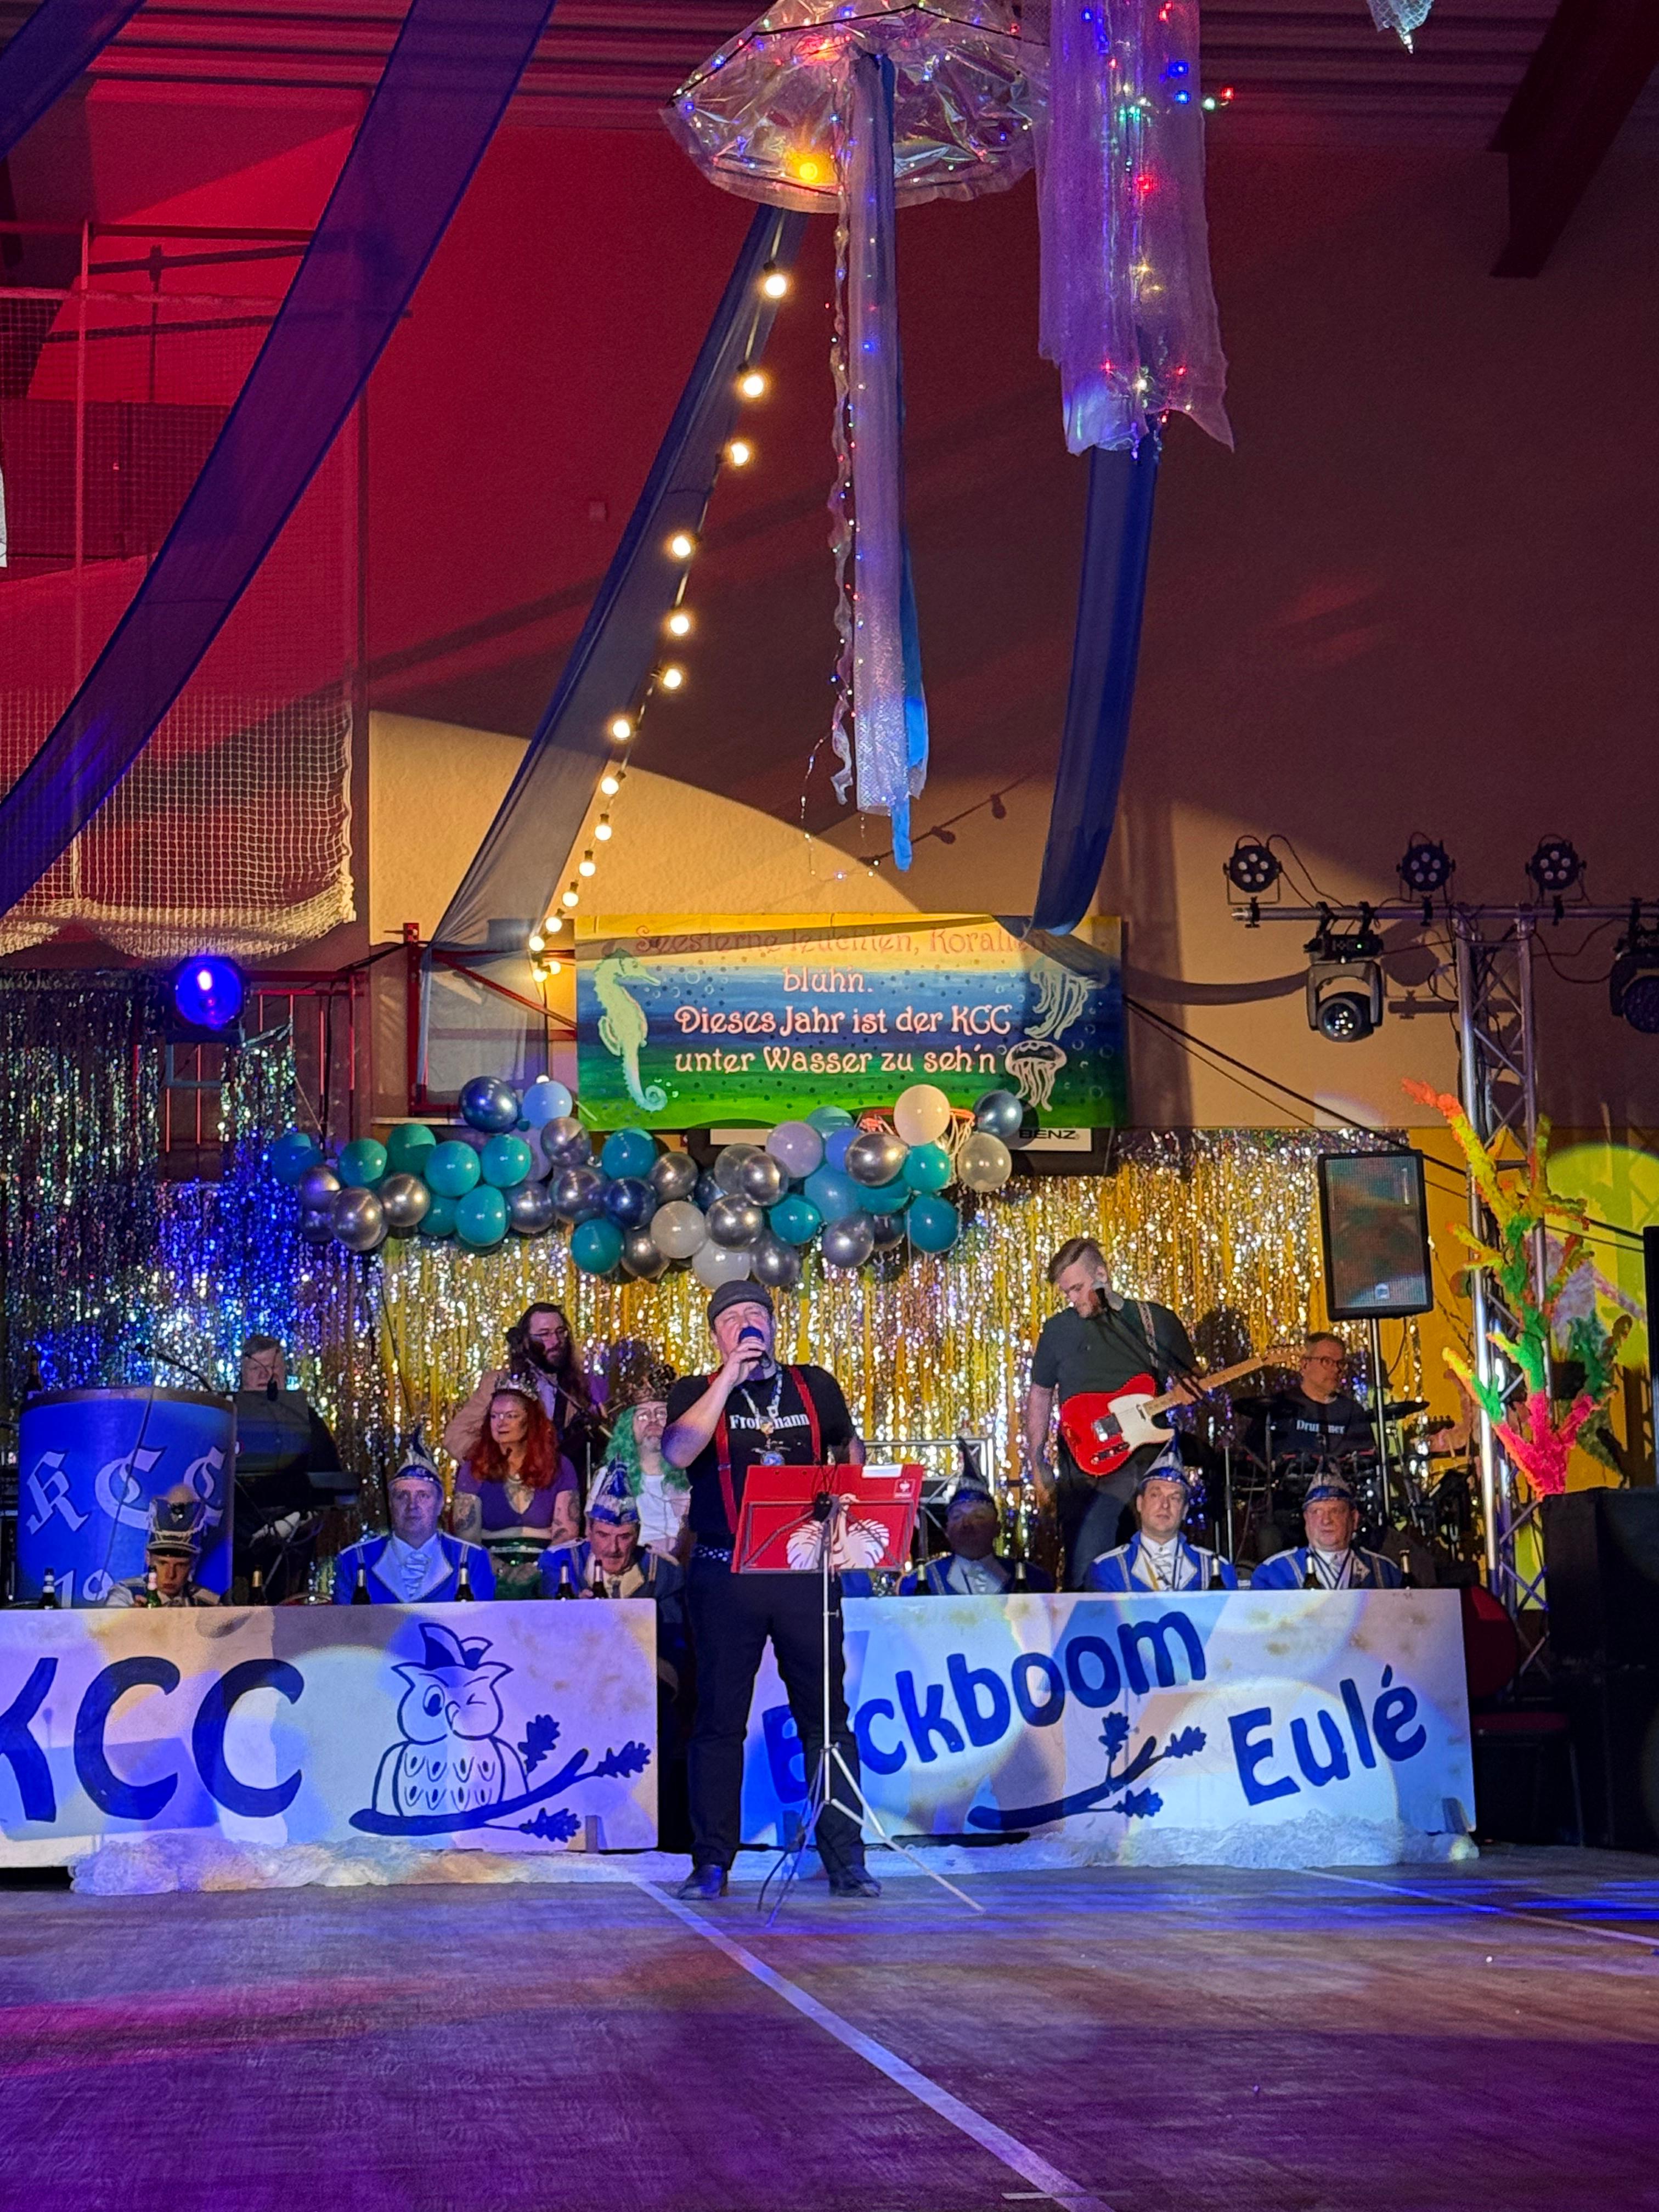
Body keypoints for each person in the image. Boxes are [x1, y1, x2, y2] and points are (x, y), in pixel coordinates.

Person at [662, 1278, 878, 1901]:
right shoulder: (696, 1390)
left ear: (775, 1324)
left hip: (801, 1571)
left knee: (826, 1719)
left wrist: (849, 1503)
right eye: (732, 1319)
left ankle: (846, 1859)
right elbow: (679, 1452)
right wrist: (729, 1377)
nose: (747, 1324)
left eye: (756, 1313)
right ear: (716, 1334)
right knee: (718, 1719)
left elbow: (847, 1446)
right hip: (724, 1571)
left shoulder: (813, 1385)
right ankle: (712, 1862)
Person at [1023, 1235, 1198, 1590]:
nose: (1072, 1299)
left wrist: (1189, 1391)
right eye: (1066, 1293)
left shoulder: (1154, 1321)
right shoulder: (1057, 1330)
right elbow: (1040, 1395)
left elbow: (1191, 1380)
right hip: (1083, 1466)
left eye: (1077, 1289)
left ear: (1102, 1276)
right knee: (1087, 1568)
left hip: (1146, 1461)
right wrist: (1037, 1459)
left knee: (1153, 1569)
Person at [233, 1334, 346, 1600]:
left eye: (272, 1368)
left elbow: (330, 1477)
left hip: (288, 1528)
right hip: (234, 1527)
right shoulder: (226, 1414)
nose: (265, 1376)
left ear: (284, 1372)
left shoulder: (303, 1417)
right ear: (243, 1375)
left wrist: (292, 1521)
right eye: (256, 1369)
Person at [443, 1305, 606, 1483]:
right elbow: (455, 1436)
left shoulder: (580, 1387)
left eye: (560, 1332)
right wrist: (498, 1465)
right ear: (526, 1341)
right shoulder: (498, 1382)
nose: (556, 1341)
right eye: (545, 1334)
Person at [450, 1375, 580, 1593]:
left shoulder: (560, 1467)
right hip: (490, 1573)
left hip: (547, 1572)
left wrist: (536, 1570)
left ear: (531, 1421)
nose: (500, 1423)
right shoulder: (474, 1469)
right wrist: (503, 1572)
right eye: (494, 1416)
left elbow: (565, 1537)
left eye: (511, 1416)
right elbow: (468, 1541)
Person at [332, 1438, 496, 1603]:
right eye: (402, 1496)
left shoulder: (471, 1558)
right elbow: (344, 1619)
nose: (412, 1505)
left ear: (440, 1504)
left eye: (423, 1496)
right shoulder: (354, 1560)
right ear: (391, 1504)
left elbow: (481, 1618)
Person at [1085, 1451, 1238, 1592]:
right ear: (1140, 1503)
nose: (1165, 1505)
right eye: (1155, 1495)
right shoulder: (1107, 1569)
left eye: (1175, 1498)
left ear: (1185, 1510)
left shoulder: (1217, 1568)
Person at [587, 1361, 689, 1558]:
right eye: (643, 1416)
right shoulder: (609, 1475)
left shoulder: (694, 1473)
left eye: (661, 1414)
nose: (653, 1420)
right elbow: (595, 1535)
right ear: (629, 1426)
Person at [1249, 1470, 1404, 1590]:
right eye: (1317, 1512)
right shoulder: (1274, 1573)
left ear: (1354, 1519)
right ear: (1306, 1519)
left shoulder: (1386, 1572)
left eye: (1335, 1511)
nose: (1326, 1520)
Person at [904, 1486, 1055, 1595]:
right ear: (947, 1530)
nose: (967, 1524)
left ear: (997, 1528)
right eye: (957, 1517)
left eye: (979, 1517)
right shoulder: (921, 1581)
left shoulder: (1032, 1579)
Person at [105, 1488, 222, 1607]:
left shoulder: (209, 1603)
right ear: (148, 1558)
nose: (170, 1575)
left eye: (181, 1565)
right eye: (162, 1563)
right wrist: (132, 1616)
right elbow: (113, 1618)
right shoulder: (126, 1595)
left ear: (194, 1562)